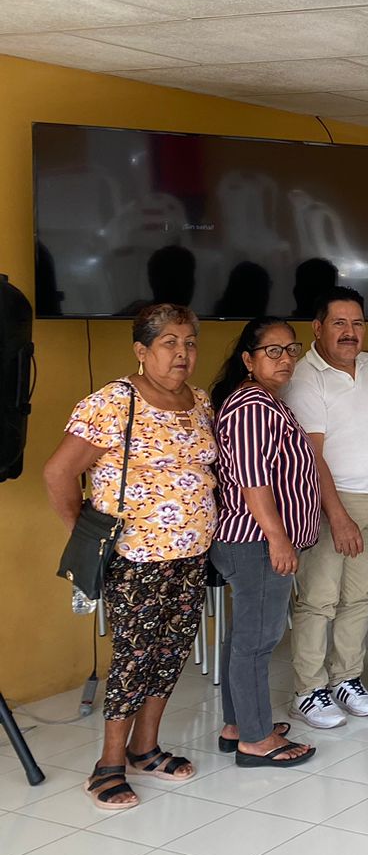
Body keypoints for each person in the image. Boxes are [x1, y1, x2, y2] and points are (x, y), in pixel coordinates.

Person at [42, 304, 217, 809]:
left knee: (171, 652)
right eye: (169, 343)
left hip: (191, 553)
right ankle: (109, 765)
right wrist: (85, 533)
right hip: (135, 557)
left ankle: (146, 748)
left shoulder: (199, 401)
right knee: (134, 658)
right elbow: (58, 473)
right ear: (142, 350)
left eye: (189, 343)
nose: (182, 353)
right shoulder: (115, 402)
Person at [209, 318, 320, 767]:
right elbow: (253, 482)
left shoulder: (265, 401)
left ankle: (239, 724)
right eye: (273, 351)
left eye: (291, 349)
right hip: (255, 541)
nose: (285, 359)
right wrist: (278, 539)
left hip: (256, 541)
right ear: (248, 360)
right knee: (257, 641)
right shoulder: (252, 406)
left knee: (245, 635)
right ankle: (255, 740)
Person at [282, 286, 368, 729]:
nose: (350, 332)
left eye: (357, 323)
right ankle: (308, 690)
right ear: (318, 328)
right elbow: (313, 456)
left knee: (360, 597)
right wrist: (338, 516)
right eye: (339, 323)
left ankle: (346, 679)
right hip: (332, 500)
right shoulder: (305, 377)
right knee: (318, 599)